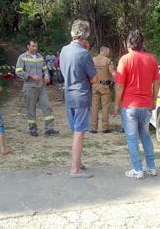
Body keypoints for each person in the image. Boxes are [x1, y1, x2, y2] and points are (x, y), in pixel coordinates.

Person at [113, 30, 159, 179]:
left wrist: (116, 104)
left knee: (132, 138)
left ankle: (137, 169)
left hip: (130, 105)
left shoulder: (124, 60)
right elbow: (156, 83)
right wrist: (154, 100)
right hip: (146, 105)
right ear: (141, 43)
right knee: (145, 135)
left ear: (128, 44)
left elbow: (119, 85)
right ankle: (151, 167)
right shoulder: (152, 59)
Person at [60, 20, 98, 178]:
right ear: (86, 35)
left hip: (69, 94)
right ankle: (75, 169)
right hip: (81, 95)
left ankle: (78, 163)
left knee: (76, 130)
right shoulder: (84, 54)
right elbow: (94, 79)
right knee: (79, 132)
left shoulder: (64, 50)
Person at [15, 41, 59, 137]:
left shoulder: (40, 57)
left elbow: (45, 68)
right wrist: (30, 76)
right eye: (33, 46)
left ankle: (49, 129)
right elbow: (18, 71)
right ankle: (33, 129)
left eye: (36, 46)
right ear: (28, 46)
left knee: (47, 107)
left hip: (41, 86)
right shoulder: (22, 57)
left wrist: (47, 75)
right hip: (29, 87)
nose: (35, 48)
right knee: (30, 109)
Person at [91, 45, 115, 133]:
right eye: (108, 52)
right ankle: (105, 128)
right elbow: (112, 73)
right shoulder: (107, 61)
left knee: (94, 106)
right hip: (105, 87)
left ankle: (94, 128)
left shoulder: (92, 60)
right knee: (105, 107)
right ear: (104, 51)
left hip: (95, 86)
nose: (108, 53)